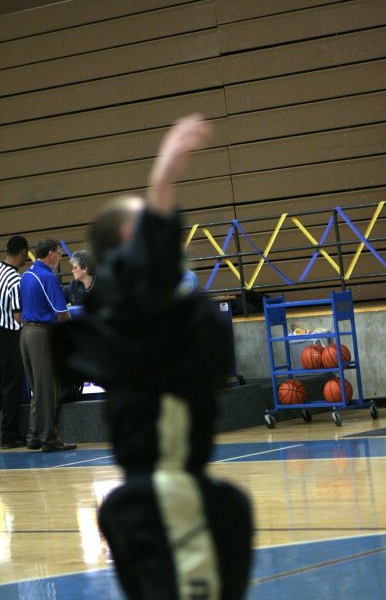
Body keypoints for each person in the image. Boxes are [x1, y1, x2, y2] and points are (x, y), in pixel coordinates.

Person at [53, 115, 253, 599]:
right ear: (129, 243)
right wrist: (161, 184)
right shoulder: (134, 317)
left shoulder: (120, 325)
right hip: (168, 497)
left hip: (153, 498)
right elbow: (147, 286)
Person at [20, 238, 77, 452]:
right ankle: (49, 439)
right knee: (47, 388)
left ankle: (34, 435)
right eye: (58, 252)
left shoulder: (25, 275)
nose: (61, 256)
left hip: (26, 333)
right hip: (42, 335)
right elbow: (61, 313)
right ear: (51, 254)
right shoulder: (48, 277)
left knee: (37, 387)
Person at [0, 235, 29, 449]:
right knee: (12, 384)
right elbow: (18, 315)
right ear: (21, 253)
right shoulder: (14, 279)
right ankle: (9, 434)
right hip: (9, 334)